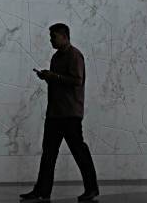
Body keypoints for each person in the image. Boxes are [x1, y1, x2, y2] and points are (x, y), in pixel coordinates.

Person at [20, 23, 100, 202]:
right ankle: (42, 190)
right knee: (48, 154)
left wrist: (53, 77)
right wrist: (48, 78)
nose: (51, 40)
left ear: (64, 36)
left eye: (53, 36)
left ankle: (91, 188)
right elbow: (61, 82)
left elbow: (77, 80)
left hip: (70, 113)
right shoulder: (56, 57)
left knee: (79, 152)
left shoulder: (75, 55)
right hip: (55, 113)